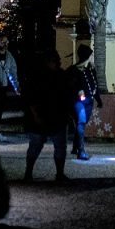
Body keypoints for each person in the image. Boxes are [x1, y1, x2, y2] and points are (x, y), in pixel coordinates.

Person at [22, 48, 71, 182]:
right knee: (37, 145)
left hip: (57, 117)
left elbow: (66, 95)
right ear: (48, 61)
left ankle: (58, 173)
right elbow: (30, 98)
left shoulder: (60, 75)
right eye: (56, 61)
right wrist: (36, 115)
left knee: (58, 146)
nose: (59, 63)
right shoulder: (37, 77)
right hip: (43, 117)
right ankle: (29, 173)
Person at [67, 43, 102, 160]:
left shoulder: (91, 69)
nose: (92, 58)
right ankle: (81, 151)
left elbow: (95, 85)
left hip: (89, 101)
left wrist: (98, 99)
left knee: (81, 123)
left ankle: (75, 146)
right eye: (91, 56)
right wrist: (78, 91)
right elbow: (70, 85)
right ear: (87, 56)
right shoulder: (74, 70)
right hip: (79, 102)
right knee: (81, 122)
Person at [0, 34, 20, 137]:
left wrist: (16, 86)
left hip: (3, 87)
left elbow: (13, 72)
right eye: (2, 41)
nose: (5, 44)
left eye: (7, 42)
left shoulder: (9, 56)